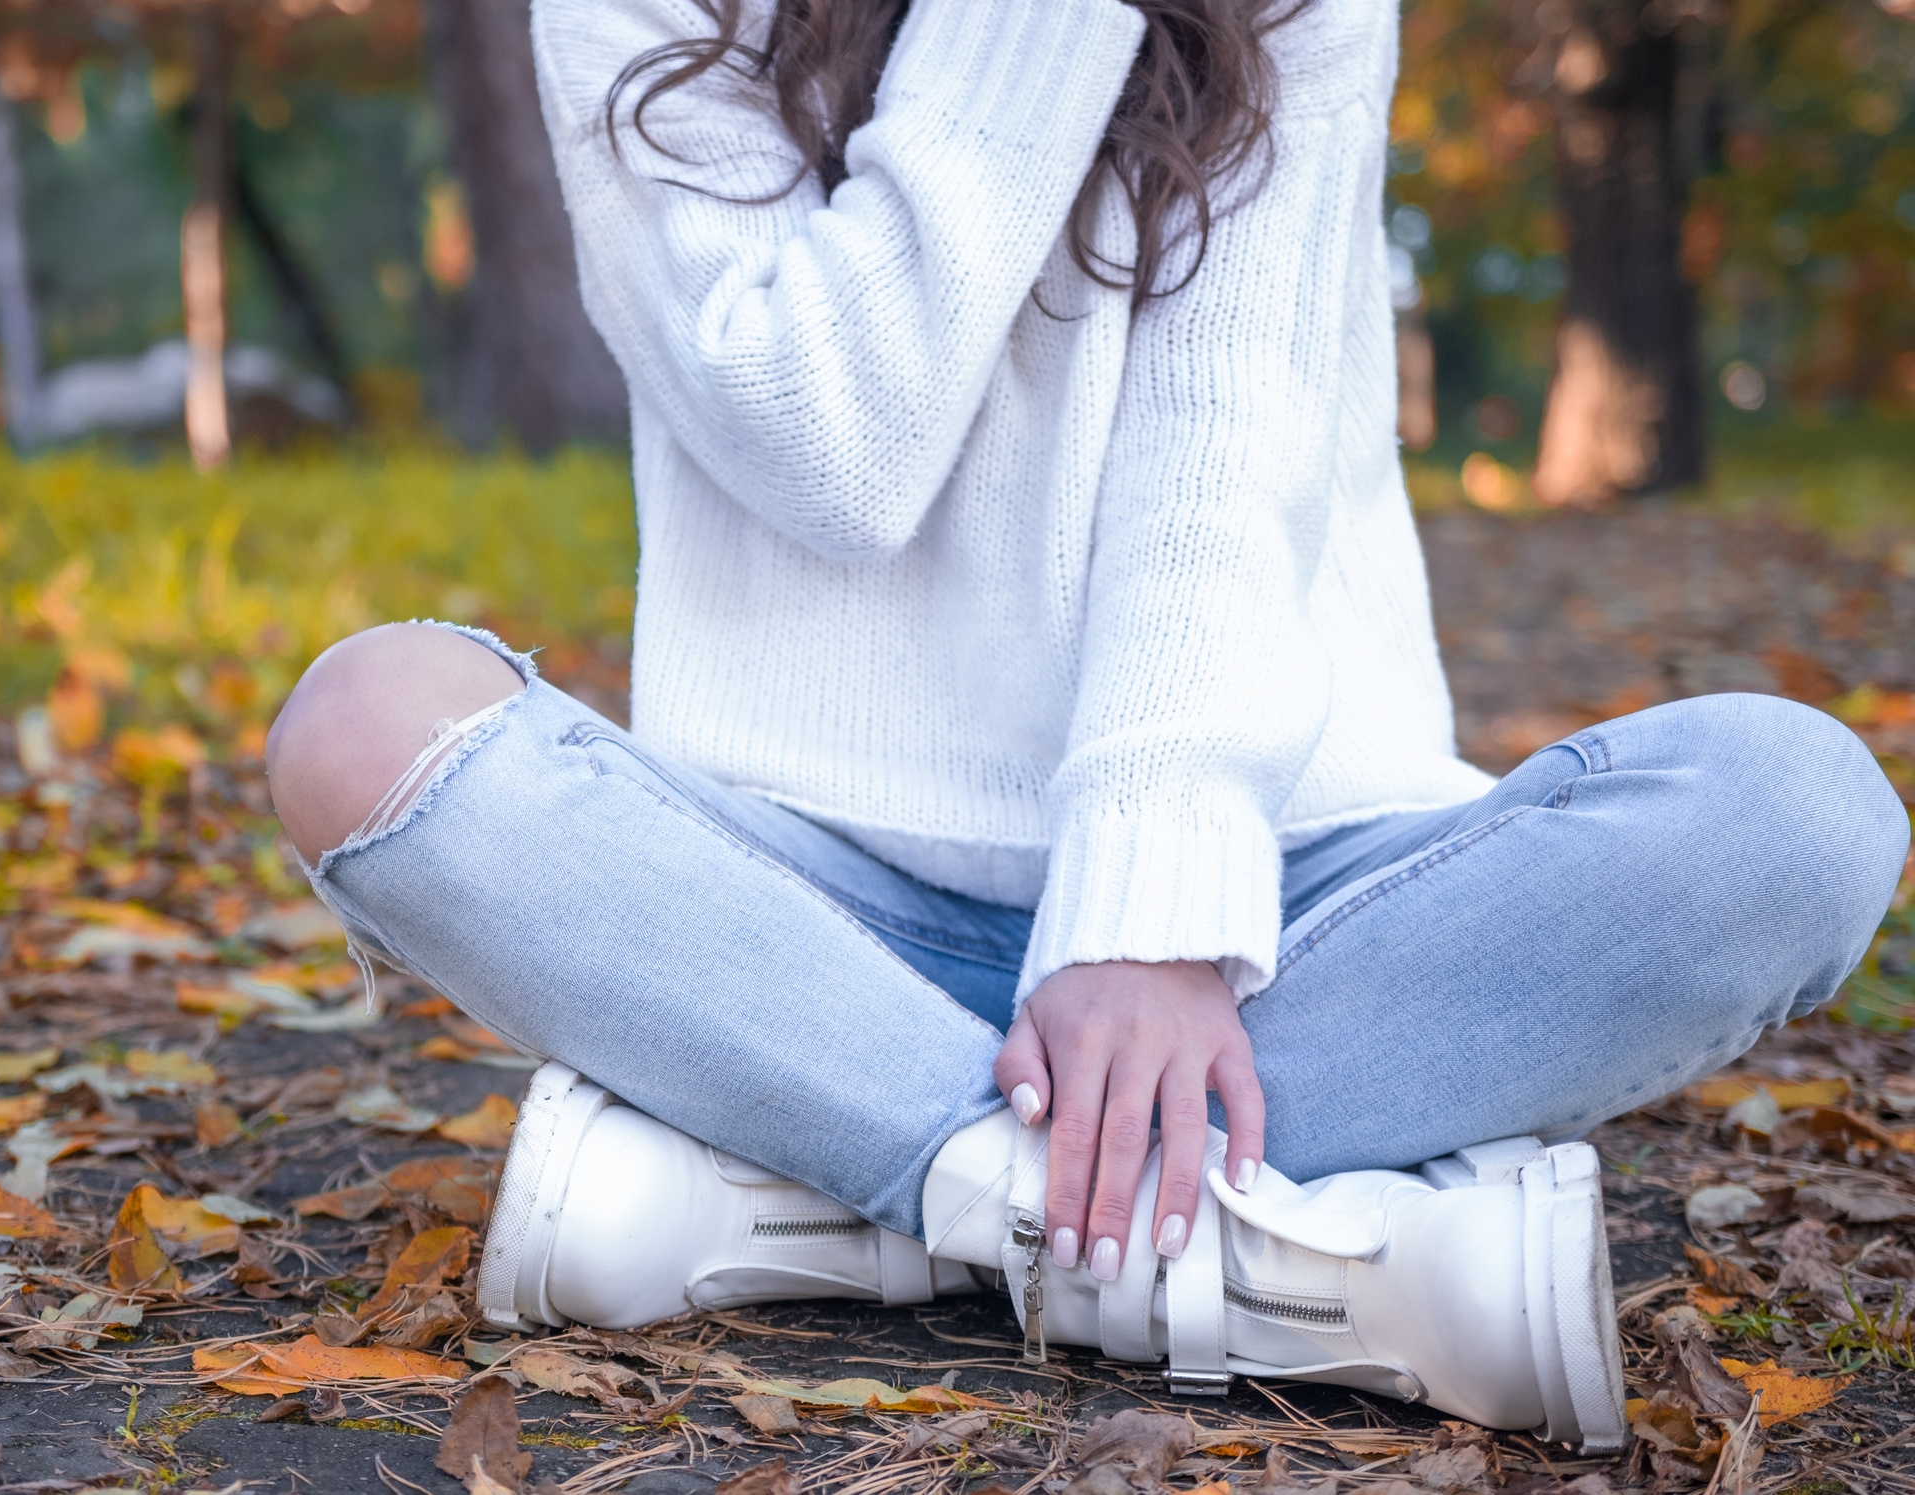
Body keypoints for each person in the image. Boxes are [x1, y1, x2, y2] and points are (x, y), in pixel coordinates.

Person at [262, 0, 1910, 1449]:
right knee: (373, 727)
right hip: (816, 920)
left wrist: (1156, 917)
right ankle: (1238, 1239)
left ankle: (859, 1181)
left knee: (1798, 811)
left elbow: (1222, 457)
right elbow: (833, 439)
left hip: (1272, 905)